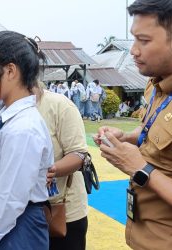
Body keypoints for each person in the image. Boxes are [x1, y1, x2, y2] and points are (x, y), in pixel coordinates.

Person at [94, 0, 172, 249]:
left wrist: (140, 168)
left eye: (144, 40)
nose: (133, 51)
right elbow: (155, 130)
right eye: (133, 39)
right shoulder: (156, 85)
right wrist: (126, 137)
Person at [0, 31, 54, 249]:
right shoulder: (7, 116)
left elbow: (10, 198)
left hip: (16, 226)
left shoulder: (23, 128)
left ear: (10, 70)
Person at [35, 87, 88, 250]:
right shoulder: (5, 109)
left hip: (63, 213)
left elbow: (79, 154)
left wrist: (50, 170)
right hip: (24, 214)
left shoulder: (59, 105)